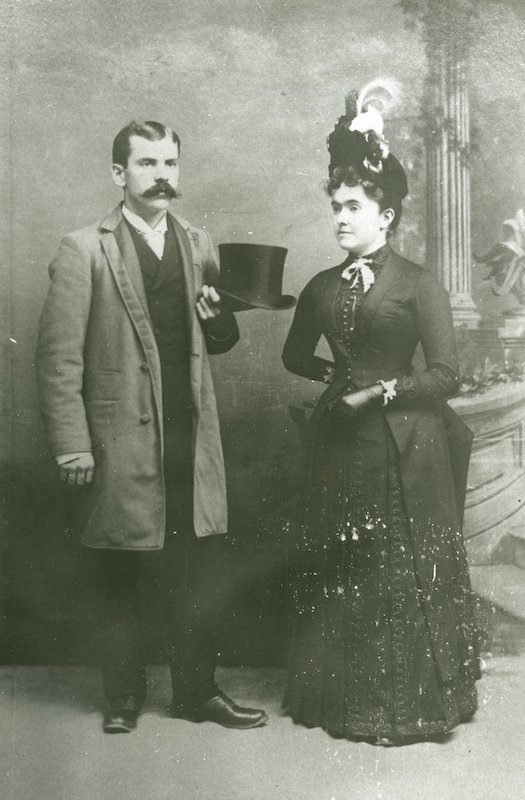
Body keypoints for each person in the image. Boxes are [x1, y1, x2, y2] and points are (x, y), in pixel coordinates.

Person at [36, 120, 268, 733]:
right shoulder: (83, 247)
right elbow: (58, 360)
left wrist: (219, 319)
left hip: (189, 436)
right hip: (119, 442)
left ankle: (198, 693)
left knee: (193, 567)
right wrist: (71, 446)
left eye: (170, 163)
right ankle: (123, 697)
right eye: (147, 164)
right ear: (120, 174)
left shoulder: (197, 242)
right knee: (122, 570)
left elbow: (220, 340)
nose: (162, 176)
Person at [281, 94, 480, 745]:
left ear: (385, 215)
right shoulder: (319, 286)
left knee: (399, 570)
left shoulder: (418, 284)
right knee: (346, 566)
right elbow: (293, 356)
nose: (339, 218)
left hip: (405, 450)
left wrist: (378, 392)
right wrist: (334, 383)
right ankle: (347, 704)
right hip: (339, 448)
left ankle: (408, 709)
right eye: (334, 206)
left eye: (353, 208)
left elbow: (447, 375)